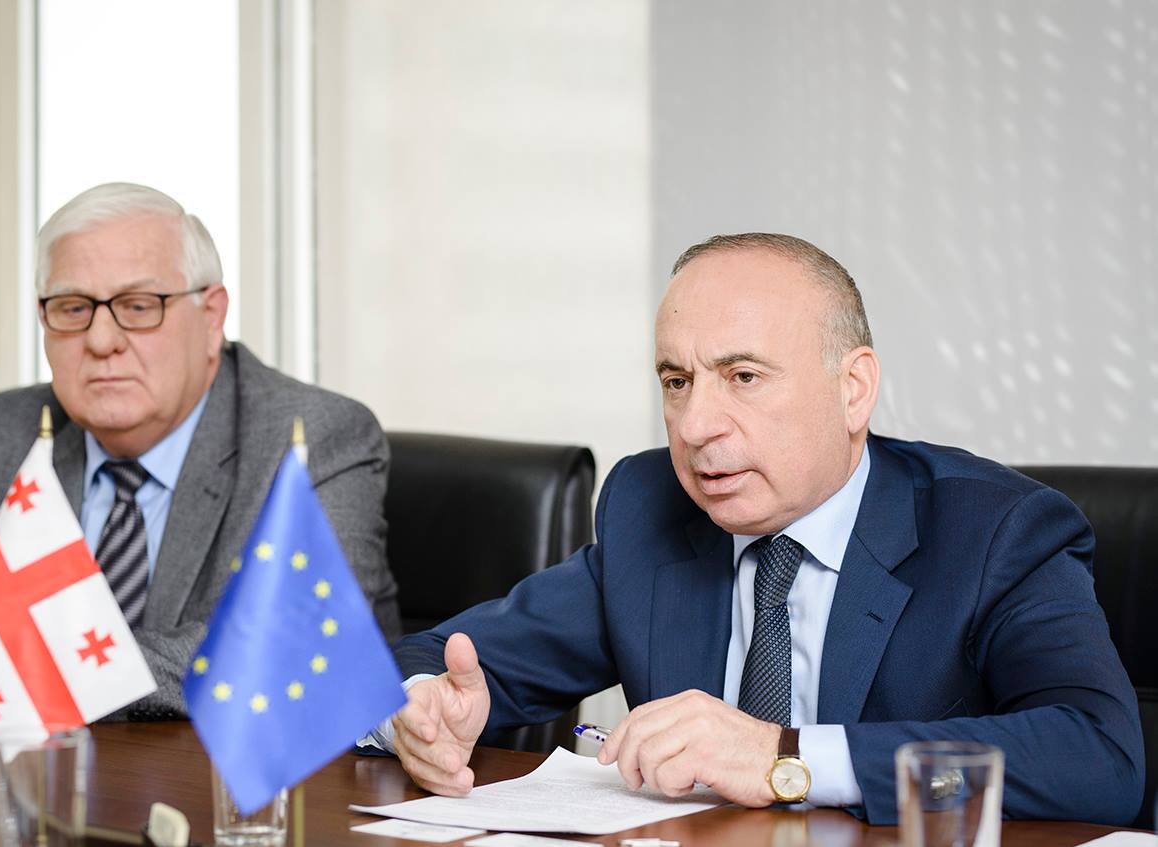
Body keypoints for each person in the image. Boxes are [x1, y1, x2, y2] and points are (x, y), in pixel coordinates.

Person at [384, 233, 1144, 825]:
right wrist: (416, 711)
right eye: (677, 381)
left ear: (853, 389)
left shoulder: (996, 530)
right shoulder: (653, 509)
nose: (696, 426)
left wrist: (785, 757)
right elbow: (429, 664)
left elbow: (1101, 756)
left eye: (743, 377)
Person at [0, 182, 401, 720]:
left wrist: (11, 670)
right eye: (72, 308)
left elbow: (291, 646)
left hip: (245, 775)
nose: (101, 340)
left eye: (139, 306)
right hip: (30, 773)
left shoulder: (310, 439)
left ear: (212, 316)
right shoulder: (1, 434)